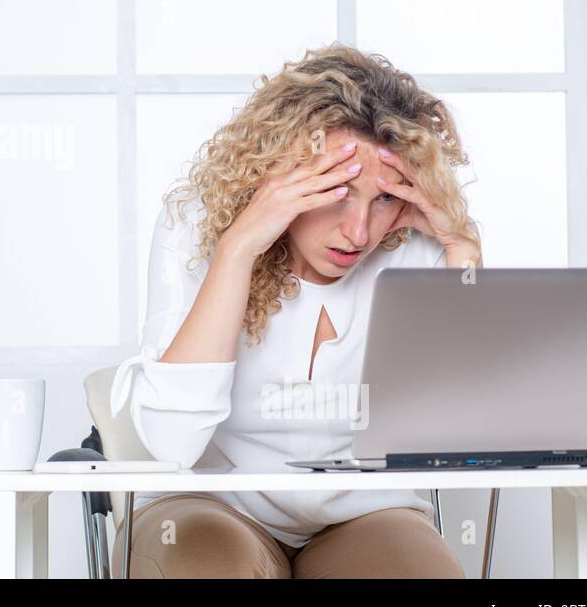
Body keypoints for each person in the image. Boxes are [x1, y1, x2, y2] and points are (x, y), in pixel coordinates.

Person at [109, 43, 483, 578]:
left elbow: (460, 429)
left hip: (362, 512)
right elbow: (173, 443)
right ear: (280, 174)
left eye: (382, 199)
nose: (359, 232)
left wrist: (464, 254)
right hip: (211, 502)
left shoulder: (422, 243)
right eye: (336, 190)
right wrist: (238, 249)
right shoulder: (197, 227)